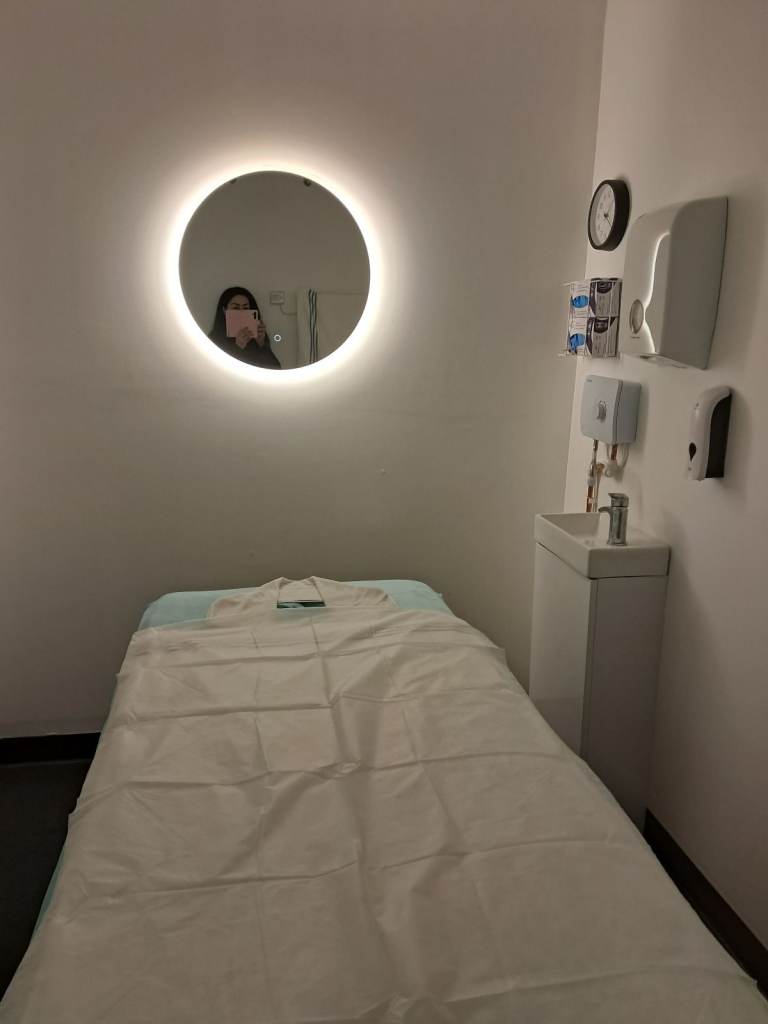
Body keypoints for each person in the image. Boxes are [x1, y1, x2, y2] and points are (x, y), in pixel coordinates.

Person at [208, 286, 281, 369]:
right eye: (235, 308)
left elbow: (275, 368)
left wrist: (261, 344)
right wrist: (237, 347)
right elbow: (215, 370)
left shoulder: (255, 336)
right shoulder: (215, 339)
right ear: (224, 311)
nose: (241, 312)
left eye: (246, 308)